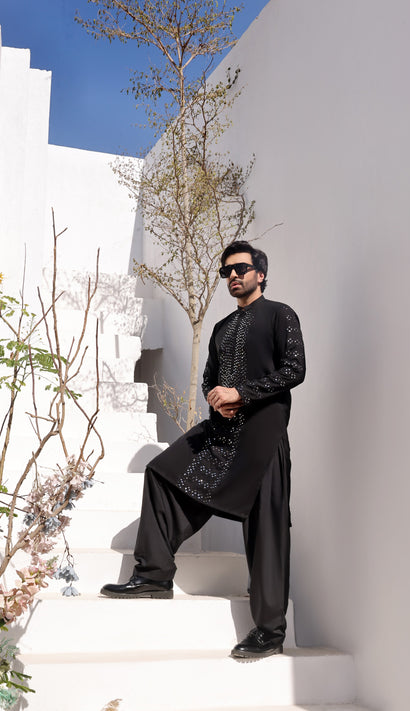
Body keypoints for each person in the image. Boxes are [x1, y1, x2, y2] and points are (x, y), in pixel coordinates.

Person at [101, 240, 306, 660]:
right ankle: (154, 575)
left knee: (265, 530)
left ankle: (269, 632)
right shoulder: (221, 328)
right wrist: (218, 398)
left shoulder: (280, 315)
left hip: (263, 436)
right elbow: (210, 378)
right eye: (227, 271)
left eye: (241, 268)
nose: (233, 276)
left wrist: (242, 394)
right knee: (162, 473)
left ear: (260, 273)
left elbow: (294, 370)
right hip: (222, 431)